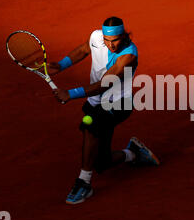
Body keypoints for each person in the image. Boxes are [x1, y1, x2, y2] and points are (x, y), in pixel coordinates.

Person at [47, 16, 160, 205]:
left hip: (118, 104)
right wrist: (61, 65)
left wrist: (70, 93)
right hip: (95, 102)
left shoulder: (128, 56)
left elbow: (104, 84)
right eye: (107, 41)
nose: (111, 45)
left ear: (123, 36)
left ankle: (84, 183)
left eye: (115, 40)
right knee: (101, 162)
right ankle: (133, 153)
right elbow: (84, 49)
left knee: (90, 129)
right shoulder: (96, 37)